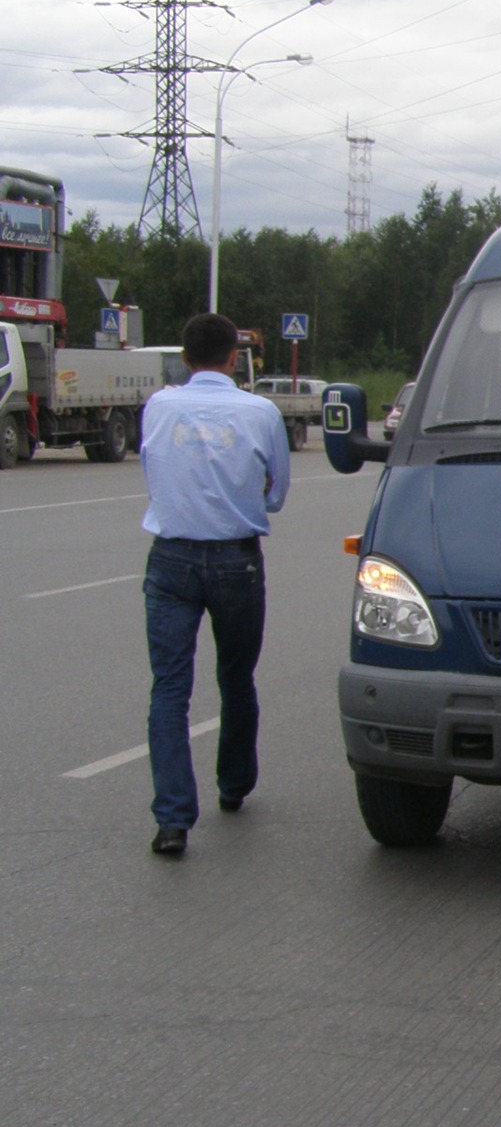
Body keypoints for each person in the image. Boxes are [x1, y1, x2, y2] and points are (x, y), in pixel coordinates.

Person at [140, 313, 291, 855]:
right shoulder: (261, 412)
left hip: (171, 560)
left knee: (170, 688)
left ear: (184, 358)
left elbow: (152, 471)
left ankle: (173, 820)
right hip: (236, 561)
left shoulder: (158, 407)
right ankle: (234, 785)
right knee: (236, 676)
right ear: (235, 358)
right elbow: (276, 495)